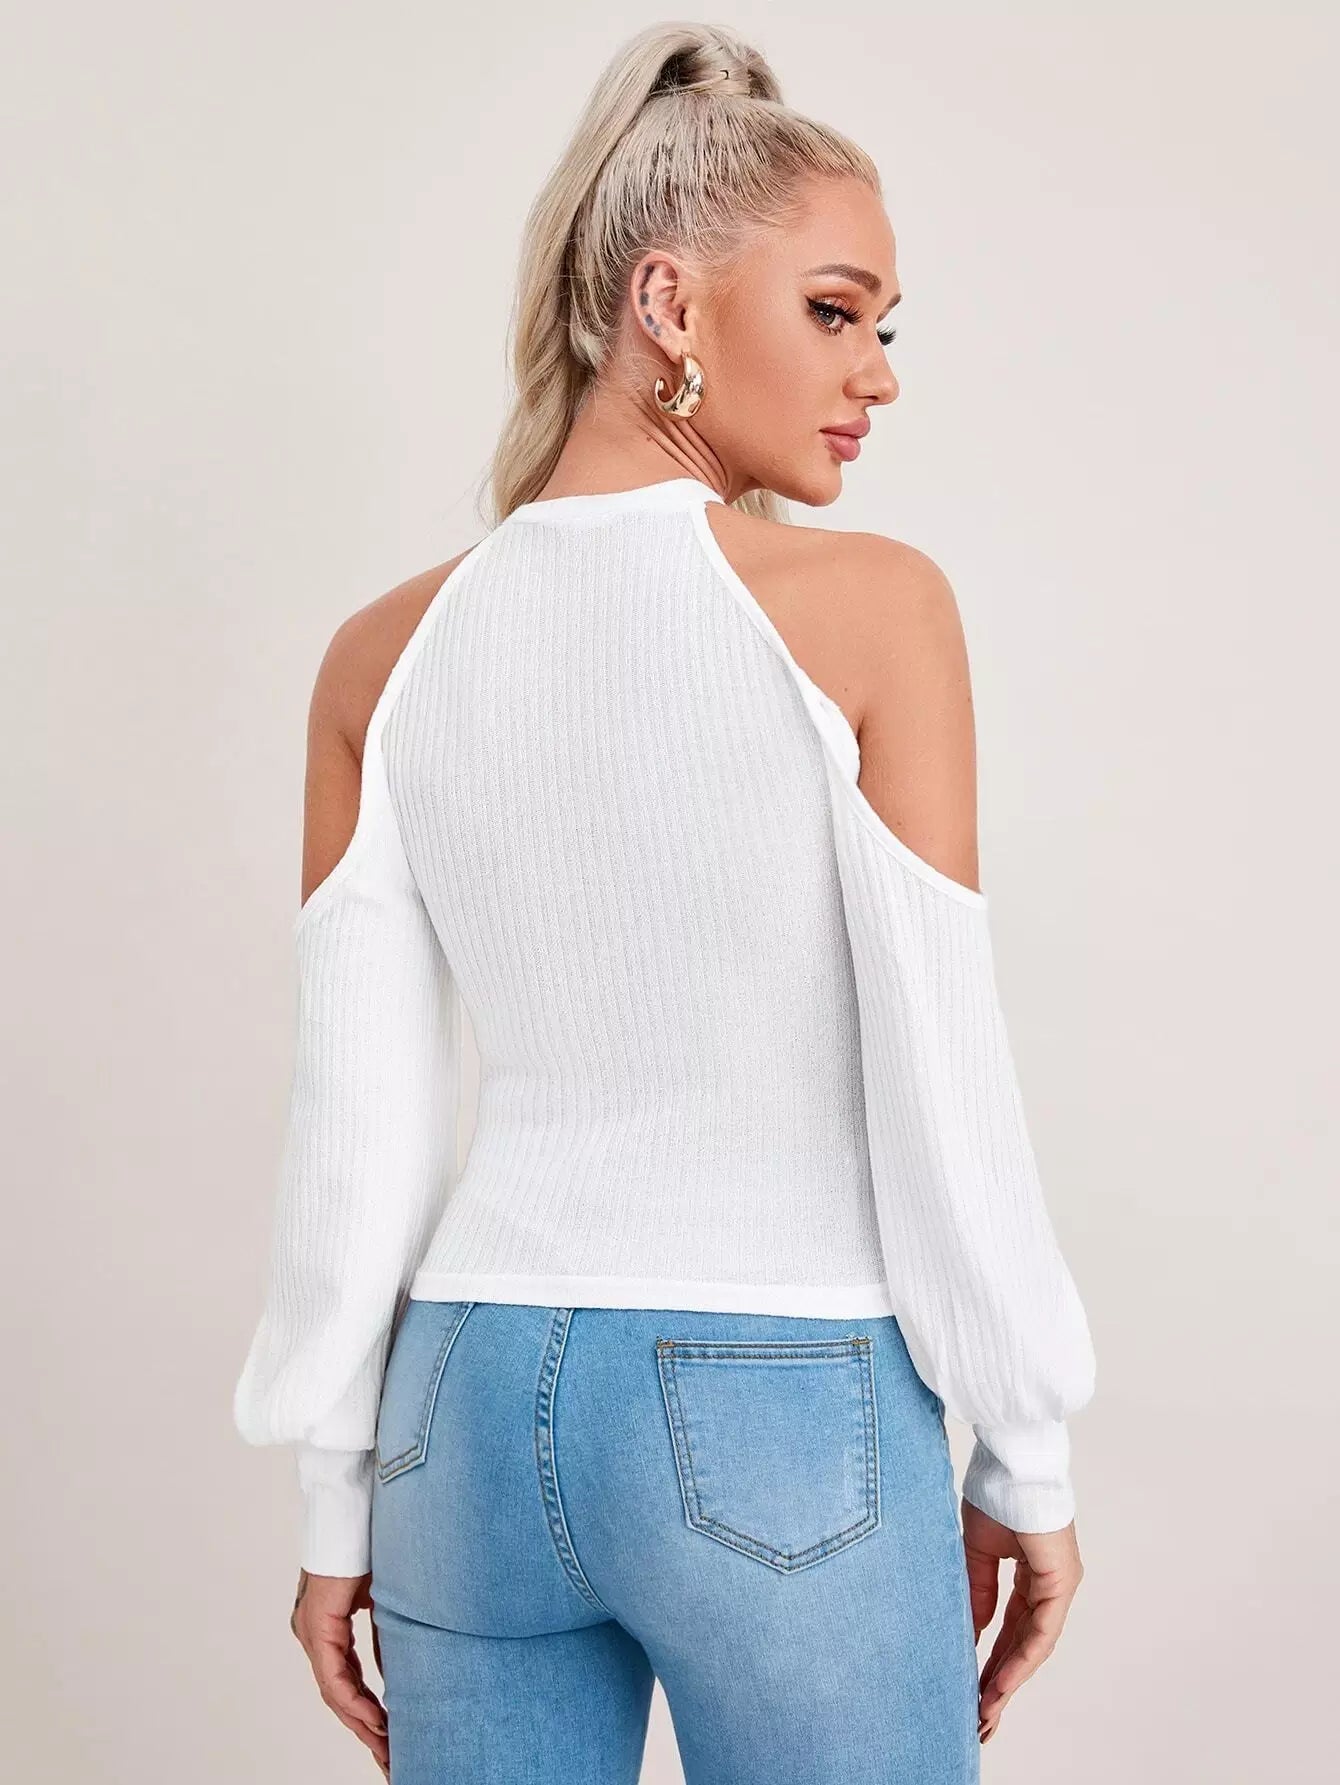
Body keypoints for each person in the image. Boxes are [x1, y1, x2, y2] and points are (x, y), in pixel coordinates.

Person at [233, 21, 1096, 1784]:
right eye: (837, 312)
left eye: (886, 327)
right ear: (668, 304)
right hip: (781, 1403)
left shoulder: (383, 655)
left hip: (460, 1413)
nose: (877, 374)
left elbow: (356, 1130)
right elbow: (946, 1078)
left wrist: (336, 1497)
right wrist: (1027, 1451)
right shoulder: (871, 610)